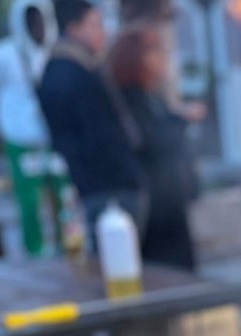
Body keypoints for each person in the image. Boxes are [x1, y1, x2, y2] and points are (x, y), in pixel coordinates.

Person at [38, 0, 145, 239]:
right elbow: (99, 134)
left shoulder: (62, 68)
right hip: (109, 186)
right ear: (73, 28)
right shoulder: (75, 72)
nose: (103, 32)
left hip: (95, 184)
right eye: (95, 24)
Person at [108, 25, 198, 270]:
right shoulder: (129, 98)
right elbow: (150, 140)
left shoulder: (151, 94)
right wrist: (181, 120)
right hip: (155, 203)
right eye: (154, 53)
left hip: (170, 198)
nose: (162, 59)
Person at [0, 0, 67, 256]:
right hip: (19, 136)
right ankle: (35, 253)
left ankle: (68, 250)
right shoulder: (1, 54)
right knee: (29, 201)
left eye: (41, 19)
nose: (37, 26)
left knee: (64, 197)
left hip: (52, 136)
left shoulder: (55, 51)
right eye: (31, 20)